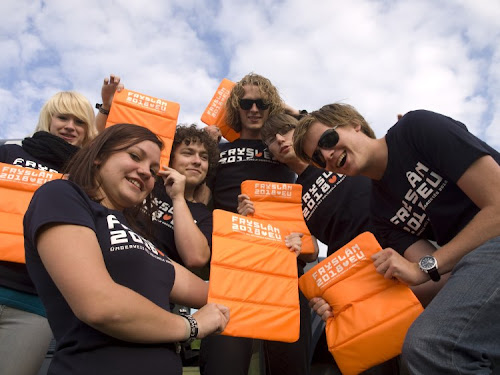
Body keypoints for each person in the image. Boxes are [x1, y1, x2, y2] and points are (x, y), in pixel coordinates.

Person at [293, 103, 500, 374]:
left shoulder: (415, 129)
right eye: (318, 159)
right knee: (419, 346)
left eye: (327, 140)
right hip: (478, 264)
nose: (328, 156)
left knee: (431, 345)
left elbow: (496, 206)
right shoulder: (380, 214)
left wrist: (425, 266)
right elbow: (439, 280)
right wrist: (345, 304)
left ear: (354, 124)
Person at [23, 124, 229, 375]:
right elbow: (99, 304)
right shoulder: (62, 195)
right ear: (99, 155)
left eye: (154, 170)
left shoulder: (139, 235)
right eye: (134, 156)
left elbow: (215, 293)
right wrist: (190, 326)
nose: (145, 172)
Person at [240, 113, 402, 375]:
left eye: (286, 130)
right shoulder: (289, 198)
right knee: (375, 363)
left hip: (398, 251)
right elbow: (311, 249)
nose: (280, 139)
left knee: (421, 346)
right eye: (271, 139)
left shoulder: (335, 155)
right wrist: (250, 217)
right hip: (354, 278)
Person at [201, 73, 314, 375]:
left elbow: (321, 134)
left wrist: (287, 112)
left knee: (290, 367)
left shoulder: (285, 146)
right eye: (246, 103)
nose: (254, 109)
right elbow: (197, 197)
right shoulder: (216, 150)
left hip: (284, 266)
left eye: (262, 103)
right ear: (236, 108)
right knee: (223, 366)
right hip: (232, 268)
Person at [0, 91, 97, 375]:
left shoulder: (88, 176)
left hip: (36, 302)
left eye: (79, 121)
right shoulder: (9, 152)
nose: (70, 126)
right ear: (48, 119)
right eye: (62, 117)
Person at [150, 125, 219, 269]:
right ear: (170, 158)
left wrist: (178, 198)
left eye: (204, 157)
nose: (197, 161)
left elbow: (196, 259)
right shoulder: (148, 185)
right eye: (188, 153)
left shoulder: (206, 217)